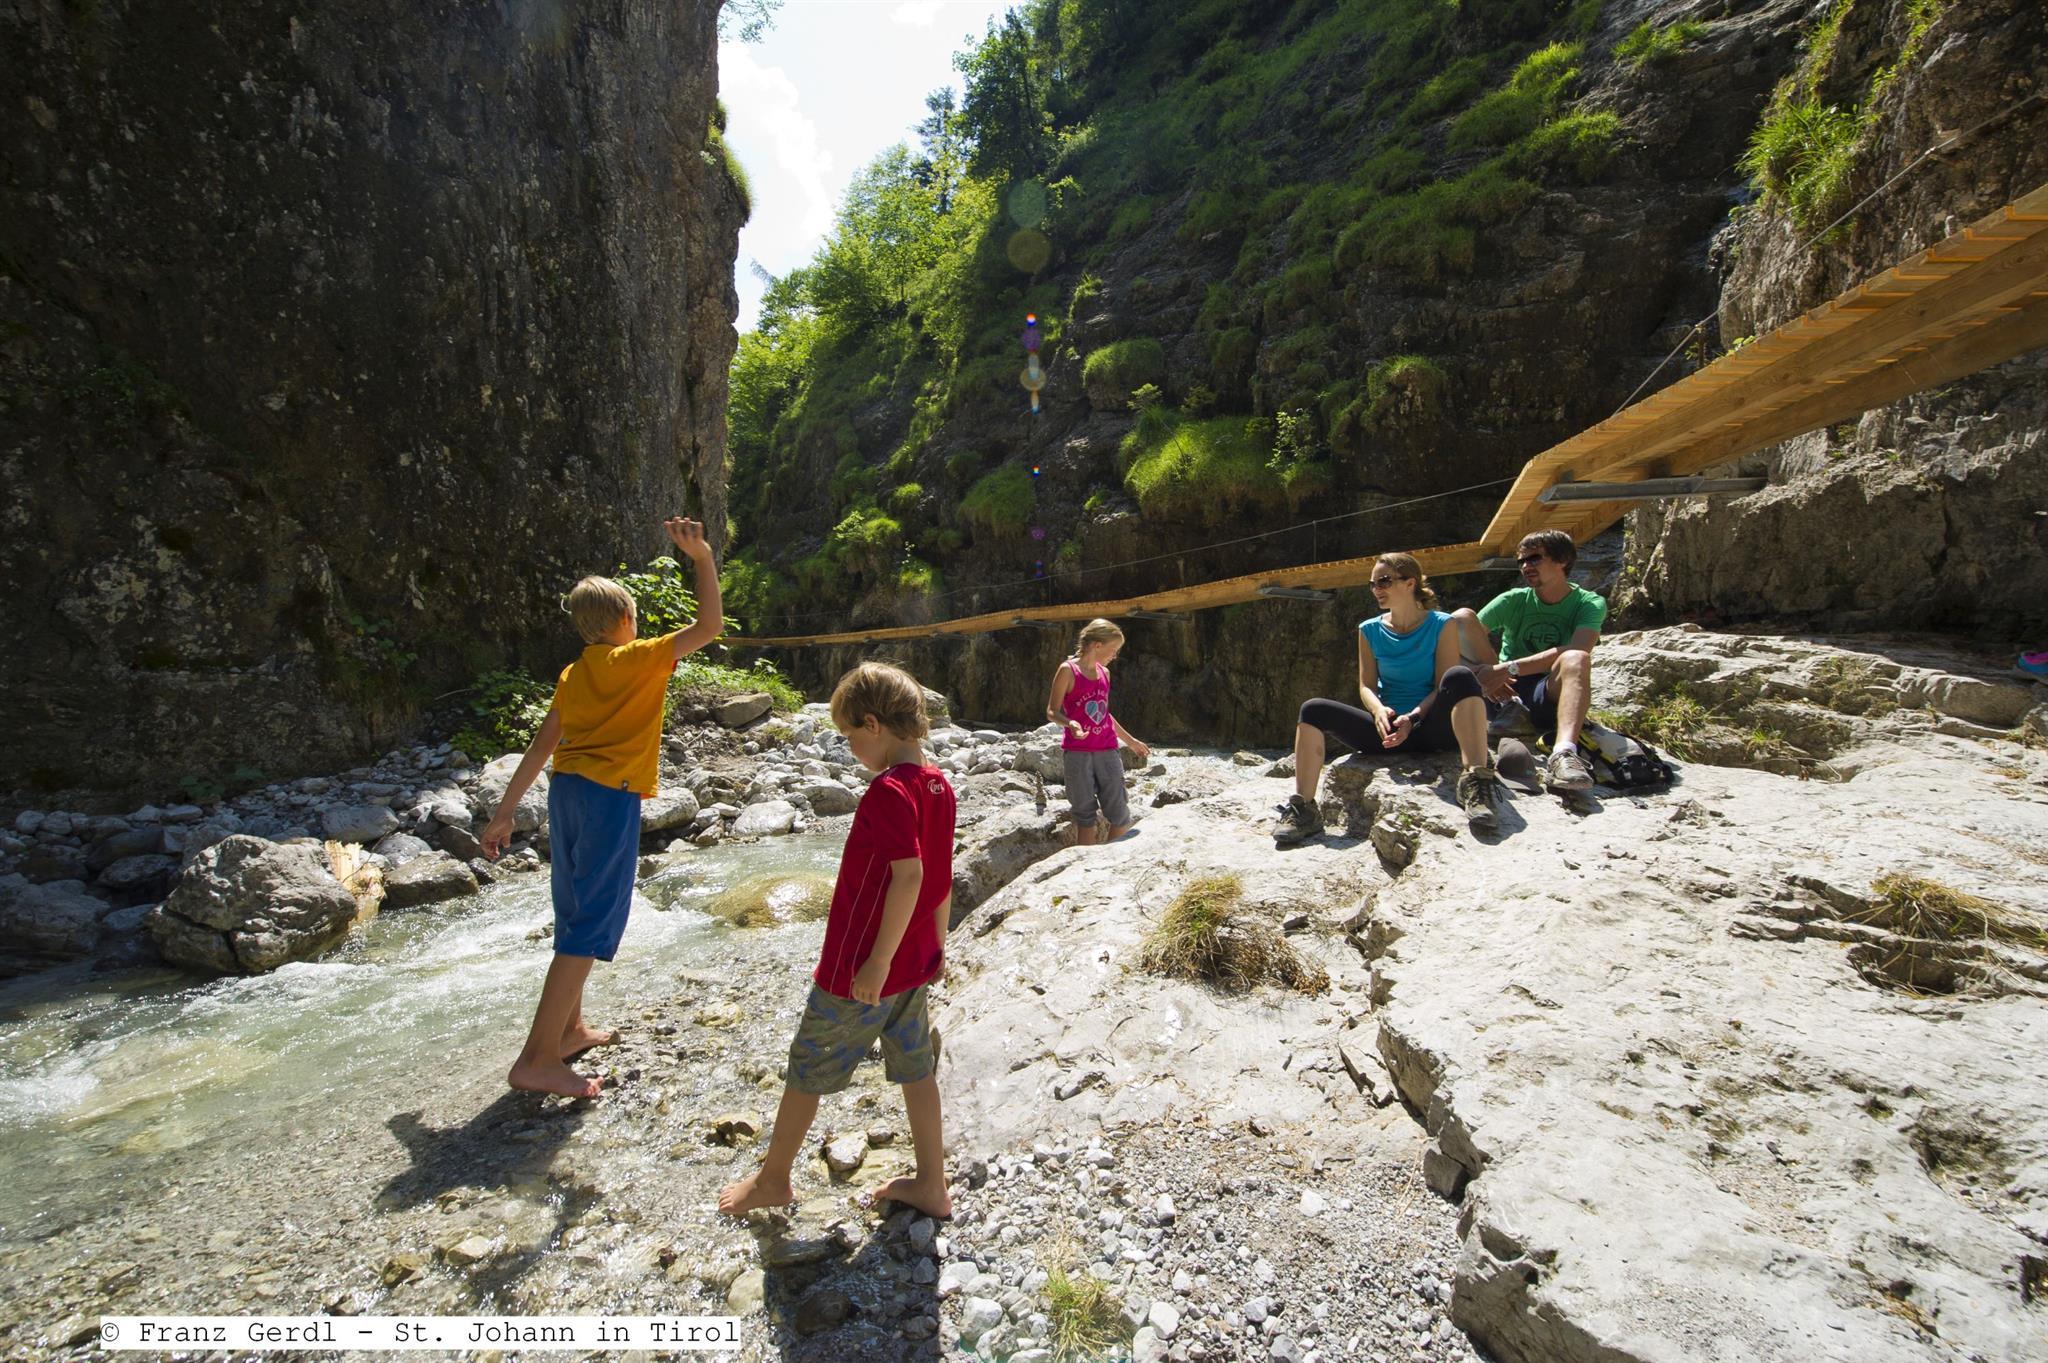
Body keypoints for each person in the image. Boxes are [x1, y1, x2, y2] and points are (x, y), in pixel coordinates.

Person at [481, 517, 723, 1100]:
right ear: (623, 621)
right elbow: (710, 626)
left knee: (573, 912)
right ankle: (537, 1059)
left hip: (566, 793)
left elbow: (542, 745)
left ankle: (568, 1031)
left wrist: (504, 812)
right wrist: (702, 559)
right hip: (609, 796)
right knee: (590, 924)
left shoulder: (574, 673)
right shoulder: (638, 657)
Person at [719, 661, 956, 1219]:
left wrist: (876, 962)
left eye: (849, 735)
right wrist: (936, 947)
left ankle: (773, 1179)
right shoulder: (938, 786)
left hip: (863, 967)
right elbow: (942, 877)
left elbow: (911, 876)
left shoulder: (888, 792)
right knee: (916, 1067)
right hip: (913, 961)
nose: (850, 748)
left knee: (808, 1064)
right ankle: (932, 1182)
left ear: (873, 724)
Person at [1273, 553, 1503, 846]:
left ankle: (1475, 782)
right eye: (1372, 584)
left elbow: (1441, 685)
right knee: (1313, 709)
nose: (1376, 589)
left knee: (1460, 676)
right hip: (1388, 733)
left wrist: (1413, 718)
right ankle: (1304, 808)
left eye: (1383, 581)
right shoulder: (1369, 630)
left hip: (1433, 728)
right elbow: (1366, 686)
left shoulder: (1442, 624)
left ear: (1410, 583)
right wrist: (1379, 710)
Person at [1457, 529, 1606, 791]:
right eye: (1521, 561)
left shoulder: (1588, 603)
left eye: (1534, 558)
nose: (1526, 566)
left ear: (1562, 560)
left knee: (1576, 658)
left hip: (1546, 690)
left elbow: (1580, 648)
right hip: (1503, 693)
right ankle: (1507, 709)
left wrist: (1508, 668)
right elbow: (1458, 639)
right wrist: (1481, 672)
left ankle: (1564, 753)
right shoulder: (1513, 599)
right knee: (1461, 618)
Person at [1046, 619, 1150, 845]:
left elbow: (1104, 714)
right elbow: (1052, 711)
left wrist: (1131, 741)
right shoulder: (1068, 671)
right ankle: (1087, 862)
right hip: (1078, 753)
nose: (1115, 656)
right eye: (1113, 650)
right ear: (1097, 645)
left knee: (1120, 812)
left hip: (1108, 750)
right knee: (1085, 817)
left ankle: (1111, 858)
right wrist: (1071, 724)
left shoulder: (1105, 674)